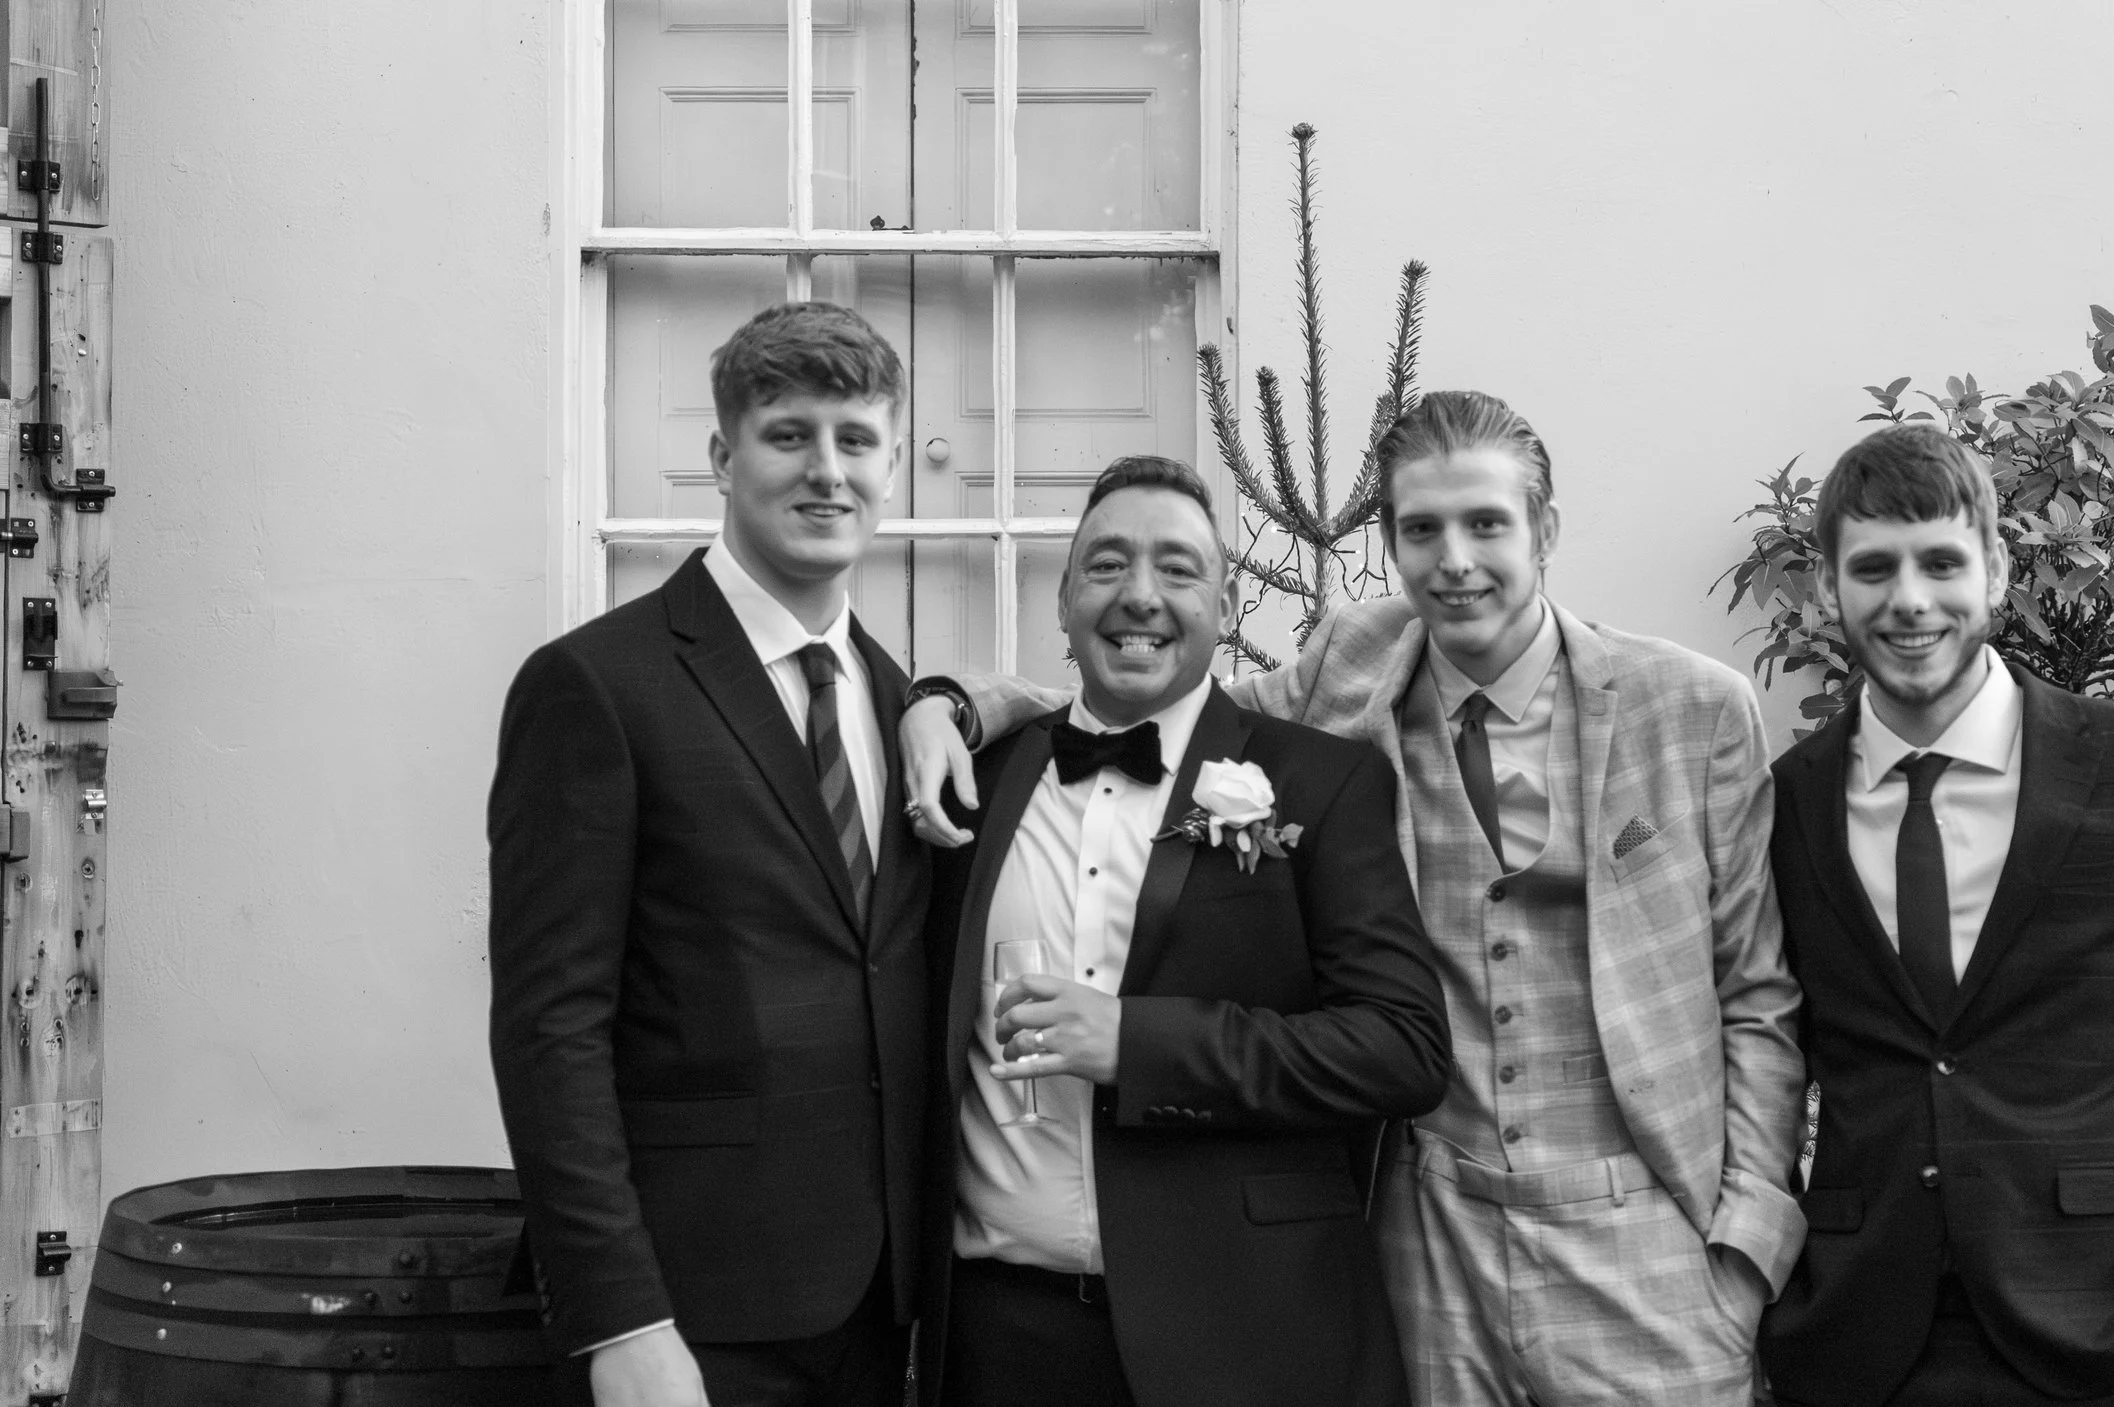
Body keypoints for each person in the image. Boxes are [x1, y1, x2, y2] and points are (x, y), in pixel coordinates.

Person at [904, 393, 1804, 1405]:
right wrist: (949, 705)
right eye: (1421, 529)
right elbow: (1145, 705)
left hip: (1645, 1233)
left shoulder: (1691, 706)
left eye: (1486, 524)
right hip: (1431, 1239)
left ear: (1544, 530)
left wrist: (1748, 1241)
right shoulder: (1351, 664)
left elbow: (1755, 992)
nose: (1453, 561)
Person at [1759, 424, 2114, 1407]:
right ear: (1830, 588)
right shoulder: (1785, 802)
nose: (1909, 599)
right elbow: (1758, 1057)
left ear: (1999, 570)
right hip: (1861, 1351)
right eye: (1873, 568)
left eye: (1941, 562)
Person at [914, 454, 1449, 1407]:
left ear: (1225, 602)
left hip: (1250, 1333)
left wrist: (1139, 1043)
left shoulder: (1322, 782)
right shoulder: (972, 786)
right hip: (1002, 1341)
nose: (1140, 595)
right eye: (1107, 564)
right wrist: (933, 700)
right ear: (1064, 598)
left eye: (1177, 567)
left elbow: (1402, 1049)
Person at [488, 301, 930, 1407]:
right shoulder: (596, 685)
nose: (827, 470)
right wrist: (620, 1320)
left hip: (885, 1313)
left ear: (891, 466)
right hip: (689, 1321)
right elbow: (550, 1028)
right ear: (723, 457)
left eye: (857, 439)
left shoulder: (898, 700)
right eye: (789, 435)